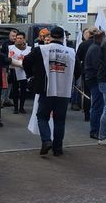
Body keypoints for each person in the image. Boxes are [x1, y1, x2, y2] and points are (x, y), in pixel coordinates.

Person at [23, 26, 79, 156]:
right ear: (63, 37)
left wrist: (31, 75)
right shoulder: (70, 52)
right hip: (64, 90)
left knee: (42, 116)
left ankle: (46, 140)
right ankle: (58, 148)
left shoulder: (41, 49)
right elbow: (78, 70)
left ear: (51, 36)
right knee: (60, 120)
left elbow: (26, 61)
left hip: (45, 89)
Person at [84, 29, 105, 139]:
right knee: (97, 106)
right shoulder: (96, 49)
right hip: (95, 80)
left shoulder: (94, 47)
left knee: (97, 105)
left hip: (92, 79)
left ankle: (96, 129)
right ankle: (95, 130)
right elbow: (98, 66)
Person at [8, 31, 31, 114]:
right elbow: (9, 59)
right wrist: (18, 63)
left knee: (23, 90)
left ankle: (21, 107)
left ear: (24, 39)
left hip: (24, 71)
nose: (19, 40)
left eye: (21, 38)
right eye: (17, 38)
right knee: (15, 90)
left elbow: (30, 60)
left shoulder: (29, 49)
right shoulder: (11, 48)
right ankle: (15, 107)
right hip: (15, 70)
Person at [75, 27, 95, 121]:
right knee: (98, 94)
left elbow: (77, 59)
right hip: (100, 73)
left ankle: (87, 114)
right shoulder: (101, 43)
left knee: (87, 93)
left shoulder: (83, 44)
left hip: (86, 72)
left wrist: (79, 72)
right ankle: (96, 113)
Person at [0, 29, 18, 108]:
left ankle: (7, 99)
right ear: (9, 36)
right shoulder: (5, 44)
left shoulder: (19, 44)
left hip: (16, 66)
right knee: (4, 85)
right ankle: (1, 100)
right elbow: (2, 54)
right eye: (12, 36)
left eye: (15, 36)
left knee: (10, 84)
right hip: (6, 66)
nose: (14, 38)